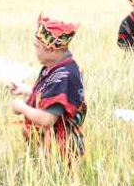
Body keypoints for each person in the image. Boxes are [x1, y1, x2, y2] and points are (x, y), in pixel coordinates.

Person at [9, 14, 87, 157]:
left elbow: (47, 119)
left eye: (37, 47)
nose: (35, 51)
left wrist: (20, 107)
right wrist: (26, 90)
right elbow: (49, 94)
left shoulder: (64, 76)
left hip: (61, 153)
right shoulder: (54, 67)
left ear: (52, 49)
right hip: (49, 148)